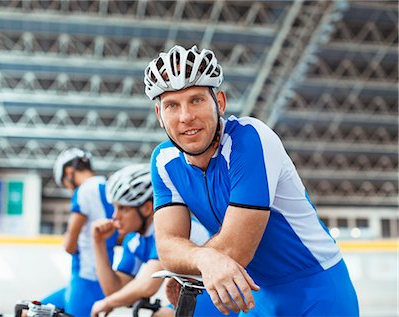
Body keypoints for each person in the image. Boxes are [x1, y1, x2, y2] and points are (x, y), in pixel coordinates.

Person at [144, 45, 359, 316]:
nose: (186, 116)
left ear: (219, 102)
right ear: (159, 115)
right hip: (251, 291)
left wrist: (191, 264)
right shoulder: (163, 160)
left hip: (315, 288)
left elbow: (236, 248)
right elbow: (167, 247)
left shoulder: (251, 139)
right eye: (172, 105)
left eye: (196, 100)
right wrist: (202, 259)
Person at [90, 164, 234, 317]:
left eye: (123, 208)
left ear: (146, 208)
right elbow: (115, 290)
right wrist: (98, 244)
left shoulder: (167, 230)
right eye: (114, 208)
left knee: (162, 315)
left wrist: (107, 303)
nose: (115, 216)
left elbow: (147, 286)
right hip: (197, 292)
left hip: (224, 293)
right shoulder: (134, 240)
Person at [41, 148, 118, 317]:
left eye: (65, 183)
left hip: (85, 278)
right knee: (34, 310)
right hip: (102, 277)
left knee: (32, 312)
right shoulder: (109, 187)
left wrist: (69, 239)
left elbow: (69, 245)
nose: (69, 189)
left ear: (69, 172)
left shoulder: (84, 190)